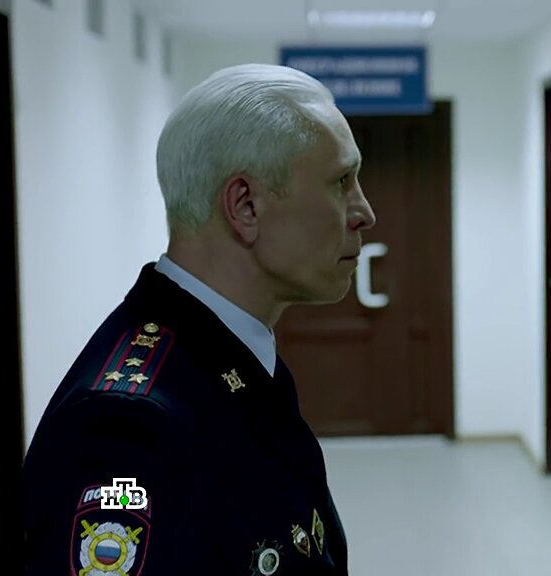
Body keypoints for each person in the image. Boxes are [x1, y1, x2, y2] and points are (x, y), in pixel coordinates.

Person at [21, 63, 375, 575]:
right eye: (341, 182)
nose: (364, 212)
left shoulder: (233, 358)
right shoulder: (129, 427)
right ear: (245, 206)